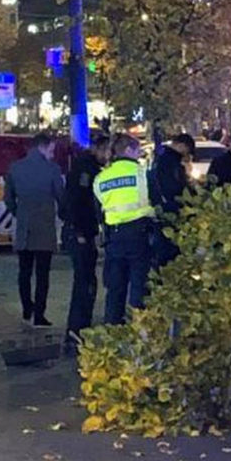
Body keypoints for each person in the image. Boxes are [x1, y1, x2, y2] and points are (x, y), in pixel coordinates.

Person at [94, 134, 155, 325]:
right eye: (137, 150)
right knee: (139, 285)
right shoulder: (141, 173)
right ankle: (139, 330)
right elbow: (153, 200)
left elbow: (100, 208)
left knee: (115, 288)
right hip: (138, 234)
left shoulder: (101, 177)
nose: (139, 154)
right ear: (128, 150)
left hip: (114, 237)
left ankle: (113, 328)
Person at [4, 132, 64, 327]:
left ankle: (26, 309)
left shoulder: (15, 168)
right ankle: (39, 314)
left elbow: (8, 198)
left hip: (24, 225)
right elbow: (60, 197)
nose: (53, 155)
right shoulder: (52, 169)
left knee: (24, 271)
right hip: (44, 226)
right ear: (43, 147)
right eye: (51, 150)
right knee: (42, 273)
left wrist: (18, 213)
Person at [62, 135, 111, 349]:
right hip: (80, 233)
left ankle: (80, 329)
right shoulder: (86, 170)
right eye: (106, 151)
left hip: (83, 232)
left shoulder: (88, 167)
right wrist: (81, 231)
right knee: (85, 283)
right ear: (97, 149)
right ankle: (77, 331)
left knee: (87, 282)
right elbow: (77, 203)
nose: (108, 156)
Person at [149, 133, 193, 267]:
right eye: (187, 150)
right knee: (169, 249)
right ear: (181, 145)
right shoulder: (170, 161)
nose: (187, 154)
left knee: (164, 247)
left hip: (162, 208)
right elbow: (173, 187)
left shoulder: (162, 158)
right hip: (170, 209)